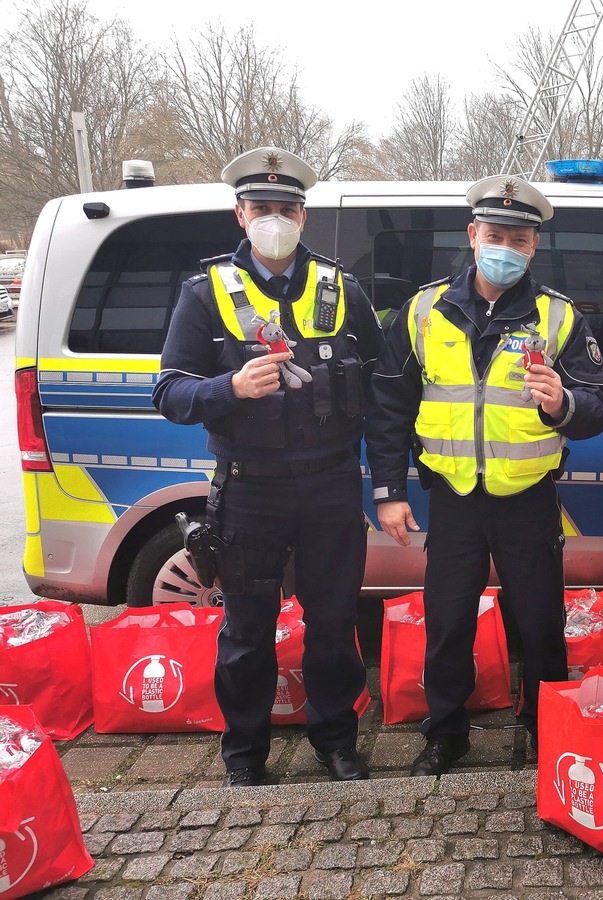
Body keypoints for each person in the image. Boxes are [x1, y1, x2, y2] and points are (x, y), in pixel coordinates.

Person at [365, 174, 603, 777]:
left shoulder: (558, 317)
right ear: (473, 235)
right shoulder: (424, 310)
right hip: (452, 498)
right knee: (447, 619)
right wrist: (390, 492)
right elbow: (390, 405)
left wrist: (564, 405)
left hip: (528, 499)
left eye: (519, 239)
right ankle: (445, 732)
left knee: (539, 622)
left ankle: (545, 729)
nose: (506, 247)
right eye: (495, 234)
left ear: (533, 249)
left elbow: (600, 404)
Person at [153, 146, 381, 786]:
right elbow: (169, 391)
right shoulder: (205, 293)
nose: (274, 218)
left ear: (303, 217)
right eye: (262, 208)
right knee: (248, 629)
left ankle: (336, 744)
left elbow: (386, 380)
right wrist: (230, 388)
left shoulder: (343, 287)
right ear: (240, 214)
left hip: (333, 486)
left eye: (286, 208)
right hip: (251, 492)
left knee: (334, 625)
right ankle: (245, 758)